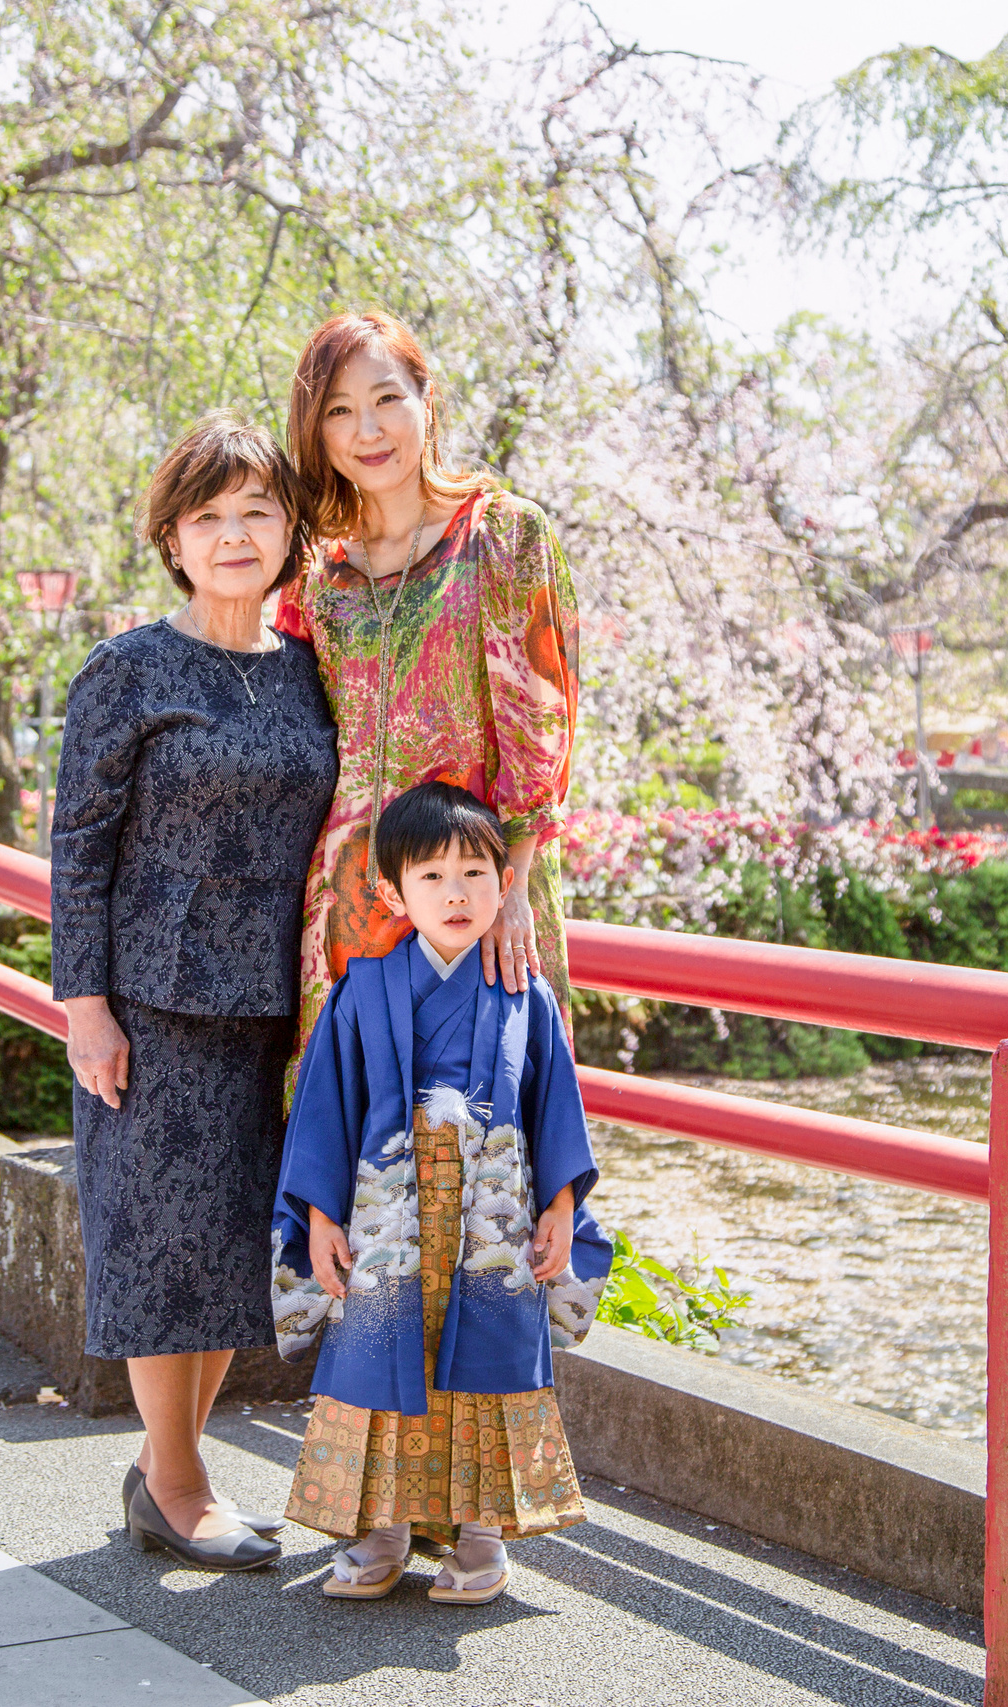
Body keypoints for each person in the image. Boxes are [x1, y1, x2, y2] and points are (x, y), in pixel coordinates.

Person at [50, 413, 339, 1573]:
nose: (233, 535)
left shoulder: (312, 669)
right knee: (159, 1241)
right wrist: (85, 1006)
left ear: (288, 531)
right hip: (158, 998)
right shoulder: (129, 670)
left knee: (230, 1246)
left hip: (281, 994)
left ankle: (171, 1469)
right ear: (172, 537)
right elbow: (78, 843)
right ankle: (174, 1482)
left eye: (256, 512)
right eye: (208, 516)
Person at [269, 781, 611, 1605]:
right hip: (384, 1212)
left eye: (474, 872)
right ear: (392, 891)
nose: (456, 893)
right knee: (380, 1356)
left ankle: (483, 1532)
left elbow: (554, 1106)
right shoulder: (363, 990)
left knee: (483, 1370)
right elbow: (326, 1107)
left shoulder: (527, 995)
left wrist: (563, 1207)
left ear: (505, 883)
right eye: (431, 876)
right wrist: (319, 1214)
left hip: (491, 1217)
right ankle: (380, 1526)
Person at [276, 310, 581, 1071]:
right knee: (352, 1157)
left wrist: (511, 887)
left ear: (425, 398)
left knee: (482, 1147)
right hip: (344, 906)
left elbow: (538, 730)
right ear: (317, 433)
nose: (367, 429)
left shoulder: (504, 536)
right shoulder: (315, 571)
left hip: (470, 895)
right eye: (339, 411)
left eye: (386, 398)